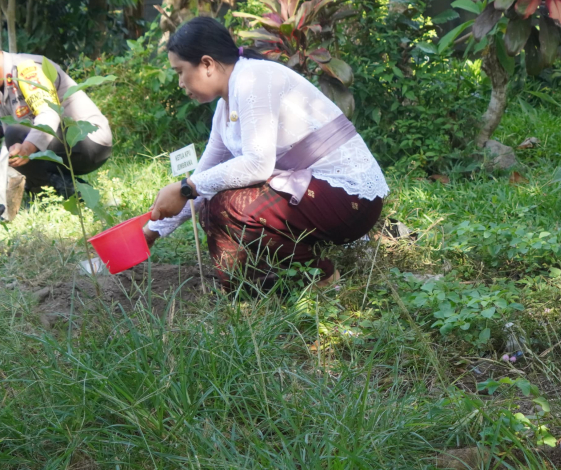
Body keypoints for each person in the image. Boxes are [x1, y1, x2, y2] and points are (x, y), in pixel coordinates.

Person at [145, 17, 388, 289]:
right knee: (212, 207)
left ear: (207, 64)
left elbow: (257, 164)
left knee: (228, 207)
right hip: (316, 196)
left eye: (180, 71)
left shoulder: (253, 80)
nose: (179, 82)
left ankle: (323, 278)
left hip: (350, 198)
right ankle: (248, 289)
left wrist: (185, 187)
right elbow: (202, 182)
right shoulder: (225, 109)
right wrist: (149, 234)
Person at [0, 32, 112, 197]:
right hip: (61, 145)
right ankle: (59, 190)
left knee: (17, 135)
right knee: (15, 140)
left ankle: (54, 191)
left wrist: (27, 147)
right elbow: (9, 145)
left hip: (89, 140)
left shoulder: (27, 68)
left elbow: (48, 113)